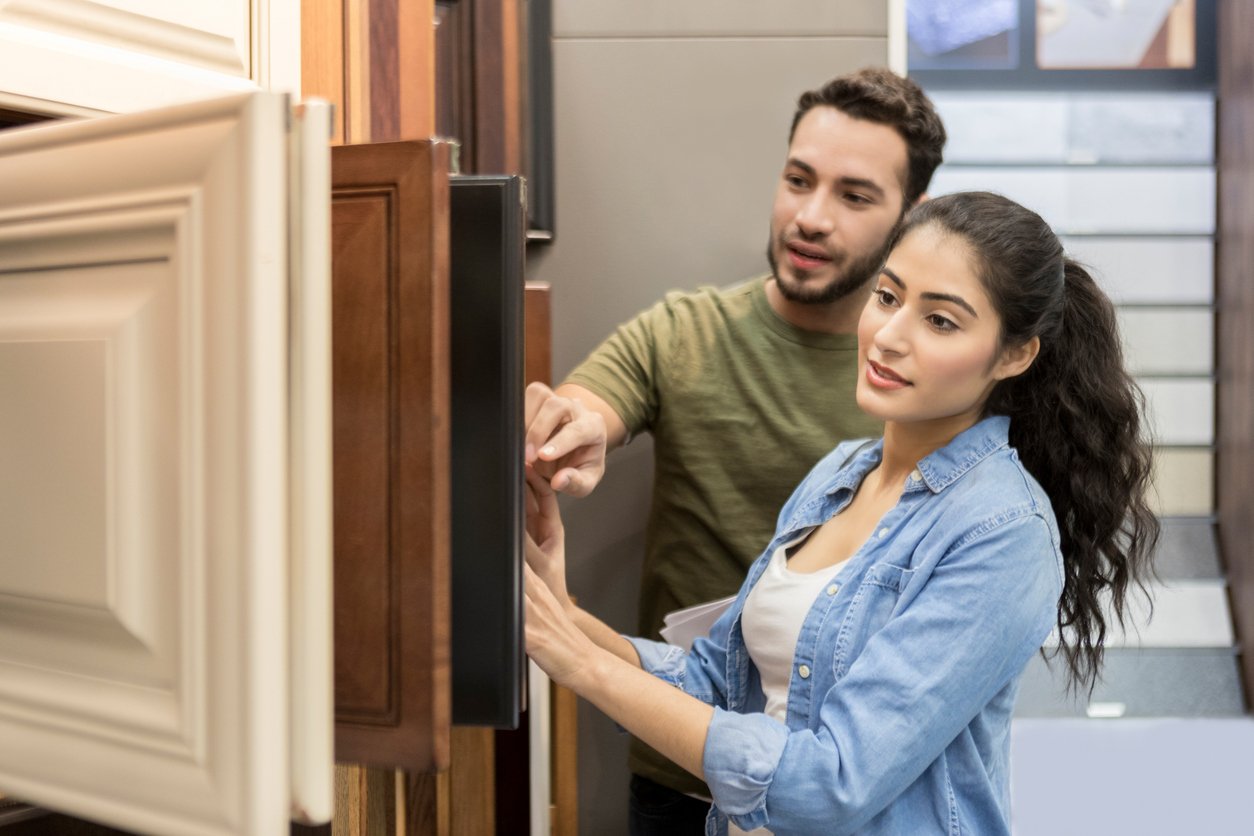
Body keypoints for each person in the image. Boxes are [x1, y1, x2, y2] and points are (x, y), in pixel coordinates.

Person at [522, 191, 1160, 835]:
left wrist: (582, 665)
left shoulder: (1003, 532)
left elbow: (833, 783)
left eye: (940, 321)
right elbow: (715, 682)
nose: (887, 335)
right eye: (887, 296)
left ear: (1014, 355)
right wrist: (567, 620)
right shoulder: (839, 475)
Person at [523, 67, 947, 830]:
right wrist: (566, 430)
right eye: (798, 179)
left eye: (853, 196)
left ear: (911, 217)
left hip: (848, 791)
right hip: (678, 768)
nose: (810, 217)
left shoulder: (925, 385)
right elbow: (590, 404)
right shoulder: (684, 333)